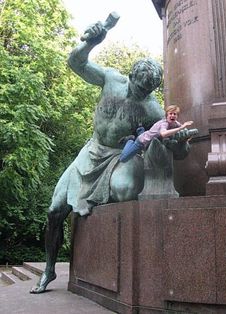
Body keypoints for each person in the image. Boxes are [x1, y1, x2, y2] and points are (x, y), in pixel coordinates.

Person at [30, 19, 189, 294]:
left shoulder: (151, 108)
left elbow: (176, 149)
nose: (141, 92)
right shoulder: (110, 79)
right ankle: (49, 269)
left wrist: (180, 143)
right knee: (54, 209)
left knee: (125, 188)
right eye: (139, 86)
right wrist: (91, 41)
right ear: (131, 76)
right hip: (90, 153)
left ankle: (106, 237)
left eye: (147, 90)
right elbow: (75, 63)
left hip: (121, 157)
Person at [120, 105, 193, 162]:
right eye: (170, 113)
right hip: (141, 142)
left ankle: (140, 130)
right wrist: (180, 128)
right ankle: (130, 141)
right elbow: (163, 134)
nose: (172, 115)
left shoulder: (175, 123)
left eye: (175, 114)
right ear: (166, 115)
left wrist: (186, 136)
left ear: (177, 116)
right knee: (123, 159)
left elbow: (184, 131)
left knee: (148, 135)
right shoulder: (164, 123)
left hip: (149, 139)